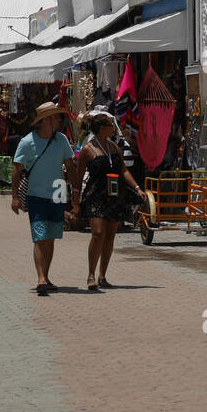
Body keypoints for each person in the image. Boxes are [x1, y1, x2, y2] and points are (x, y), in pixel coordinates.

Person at [75, 110, 146, 291]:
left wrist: (137, 188)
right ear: (100, 129)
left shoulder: (114, 147)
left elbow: (124, 171)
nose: (113, 128)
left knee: (110, 234)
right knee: (98, 233)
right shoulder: (88, 149)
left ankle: (103, 275)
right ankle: (91, 274)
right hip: (96, 195)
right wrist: (75, 196)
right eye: (109, 125)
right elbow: (78, 174)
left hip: (115, 195)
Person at [11, 103, 78, 296]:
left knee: (50, 237)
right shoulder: (27, 142)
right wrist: (15, 197)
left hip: (57, 193)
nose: (59, 120)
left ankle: (46, 277)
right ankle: (40, 278)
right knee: (40, 237)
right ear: (45, 120)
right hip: (36, 196)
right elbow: (17, 169)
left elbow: (70, 167)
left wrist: (76, 192)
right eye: (56, 117)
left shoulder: (62, 140)